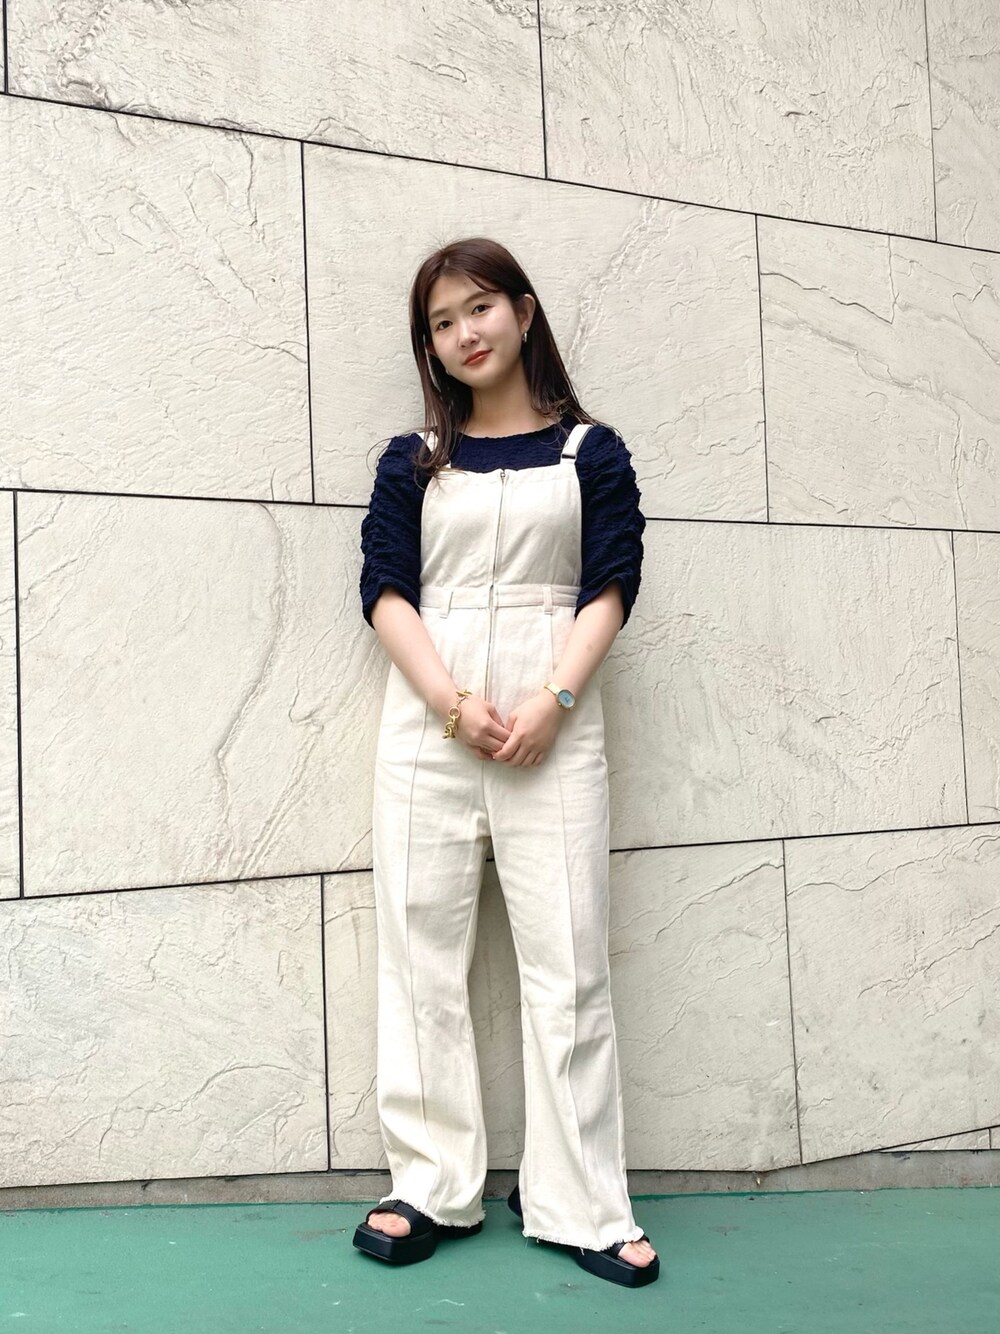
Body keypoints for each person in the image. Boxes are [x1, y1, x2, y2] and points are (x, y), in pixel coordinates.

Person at [351, 237, 658, 1289]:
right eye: (441, 322)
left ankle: (581, 1201)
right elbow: (385, 590)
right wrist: (451, 703)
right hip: (427, 727)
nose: (463, 333)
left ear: (523, 313)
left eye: (478, 308)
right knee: (420, 955)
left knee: (569, 961)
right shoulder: (411, 461)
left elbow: (610, 583)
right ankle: (431, 1182)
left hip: (552, 726)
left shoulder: (590, 453)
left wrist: (552, 701)